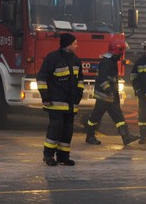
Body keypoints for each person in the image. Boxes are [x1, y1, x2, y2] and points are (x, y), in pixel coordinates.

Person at [37, 33, 84, 166]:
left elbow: (80, 79)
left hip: (70, 104)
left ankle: (63, 156)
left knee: (68, 130)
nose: (77, 46)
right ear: (68, 45)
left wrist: (79, 94)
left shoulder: (76, 60)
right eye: (75, 43)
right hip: (55, 103)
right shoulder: (53, 58)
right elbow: (41, 78)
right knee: (55, 129)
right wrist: (45, 96)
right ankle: (48, 155)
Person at [85, 35, 140, 146]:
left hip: (110, 95)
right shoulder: (107, 62)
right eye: (122, 51)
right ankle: (90, 136)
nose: (122, 53)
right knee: (95, 117)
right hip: (104, 96)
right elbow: (102, 78)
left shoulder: (112, 61)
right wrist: (109, 90)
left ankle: (126, 137)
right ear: (118, 50)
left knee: (118, 116)